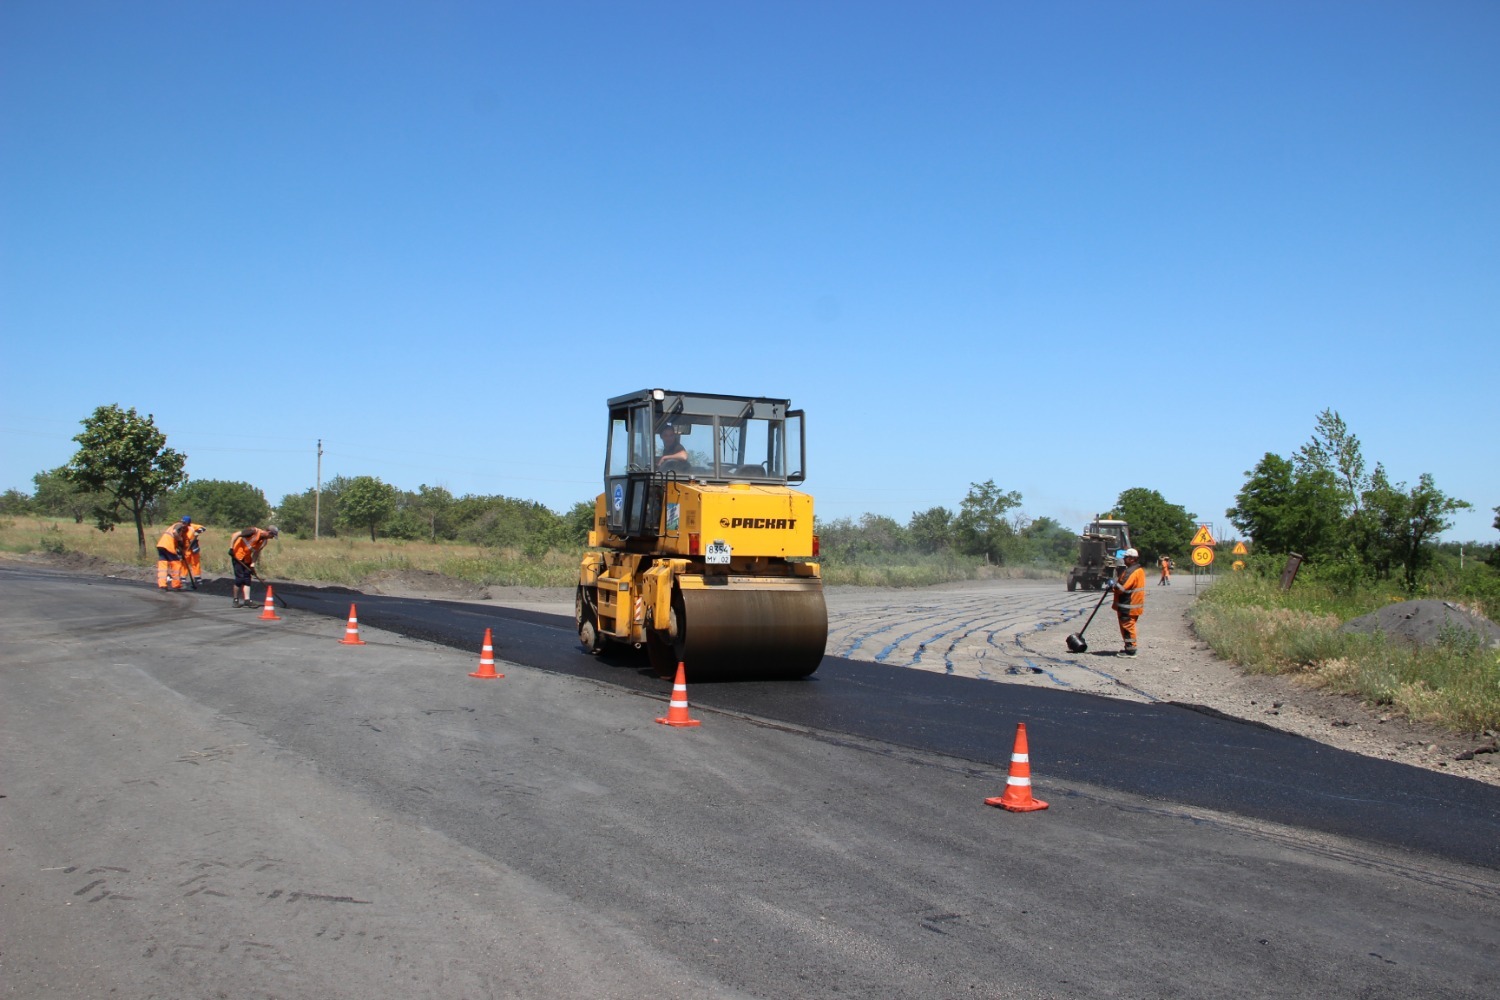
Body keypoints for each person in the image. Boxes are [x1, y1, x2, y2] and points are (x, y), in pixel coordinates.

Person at [229, 525, 279, 608]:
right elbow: (236, 535)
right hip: (237, 556)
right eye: (272, 536)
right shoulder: (252, 531)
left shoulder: (264, 542)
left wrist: (252, 564)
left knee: (247, 579)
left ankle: (247, 601)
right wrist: (231, 548)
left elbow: (256, 553)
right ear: (269, 532)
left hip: (247, 559)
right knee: (240, 579)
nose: (272, 538)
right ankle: (235, 600)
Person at [1108, 548, 1147, 656]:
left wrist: (1113, 585)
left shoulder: (1131, 572)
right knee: (1128, 626)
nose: (1124, 559)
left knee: (1128, 626)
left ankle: (1131, 650)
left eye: (1125, 557)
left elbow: (1122, 588)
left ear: (1131, 559)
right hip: (1132, 605)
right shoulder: (1137, 570)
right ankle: (1128, 647)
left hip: (1128, 605)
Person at [155, 516, 193, 591]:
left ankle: (162, 585)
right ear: (186, 523)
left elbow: (175, 540)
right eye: (187, 525)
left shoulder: (173, 526)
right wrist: (180, 539)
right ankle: (176, 585)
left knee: (163, 566)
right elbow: (175, 532)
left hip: (161, 546)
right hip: (168, 546)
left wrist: (179, 547)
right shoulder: (179, 525)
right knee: (176, 564)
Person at [182, 521, 207, 589]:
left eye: (185, 522)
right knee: (185, 563)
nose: (184, 524)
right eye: (183, 522)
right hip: (185, 548)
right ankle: (183, 578)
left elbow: (203, 528)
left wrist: (198, 532)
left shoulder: (193, 526)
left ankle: (197, 577)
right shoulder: (181, 527)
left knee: (195, 563)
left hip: (194, 547)